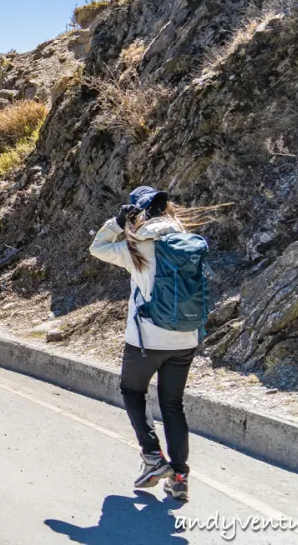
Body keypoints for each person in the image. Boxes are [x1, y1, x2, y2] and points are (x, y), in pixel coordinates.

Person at [89, 186, 214, 503]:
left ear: (139, 213)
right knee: (173, 405)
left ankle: (153, 458)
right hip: (185, 339)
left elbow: (98, 247)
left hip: (146, 341)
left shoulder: (136, 247)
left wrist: (118, 223)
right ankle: (181, 478)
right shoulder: (187, 243)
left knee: (133, 392)